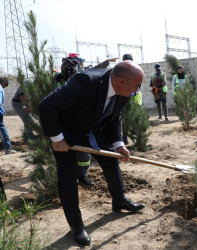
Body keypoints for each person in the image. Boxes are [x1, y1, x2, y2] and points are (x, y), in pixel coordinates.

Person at [38, 61, 146, 246]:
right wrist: (57, 139)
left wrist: (118, 144)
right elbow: (46, 106)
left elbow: (114, 116)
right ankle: (76, 225)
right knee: (68, 176)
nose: (138, 89)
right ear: (121, 82)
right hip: (66, 133)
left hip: (94, 130)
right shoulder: (85, 82)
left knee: (112, 161)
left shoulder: (124, 92)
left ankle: (119, 199)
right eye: (137, 85)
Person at [54, 55, 95, 188]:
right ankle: (68, 179)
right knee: (65, 155)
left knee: (83, 152)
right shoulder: (57, 81)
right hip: (62, 124)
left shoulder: (80, 80)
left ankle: (81, 175)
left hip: (78, 123)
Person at [0, 77, 16, 154]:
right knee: (2, 129)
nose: (4, 88)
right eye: (5, 86)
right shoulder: (0, 89)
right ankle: (8, 148)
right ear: (3, 83)